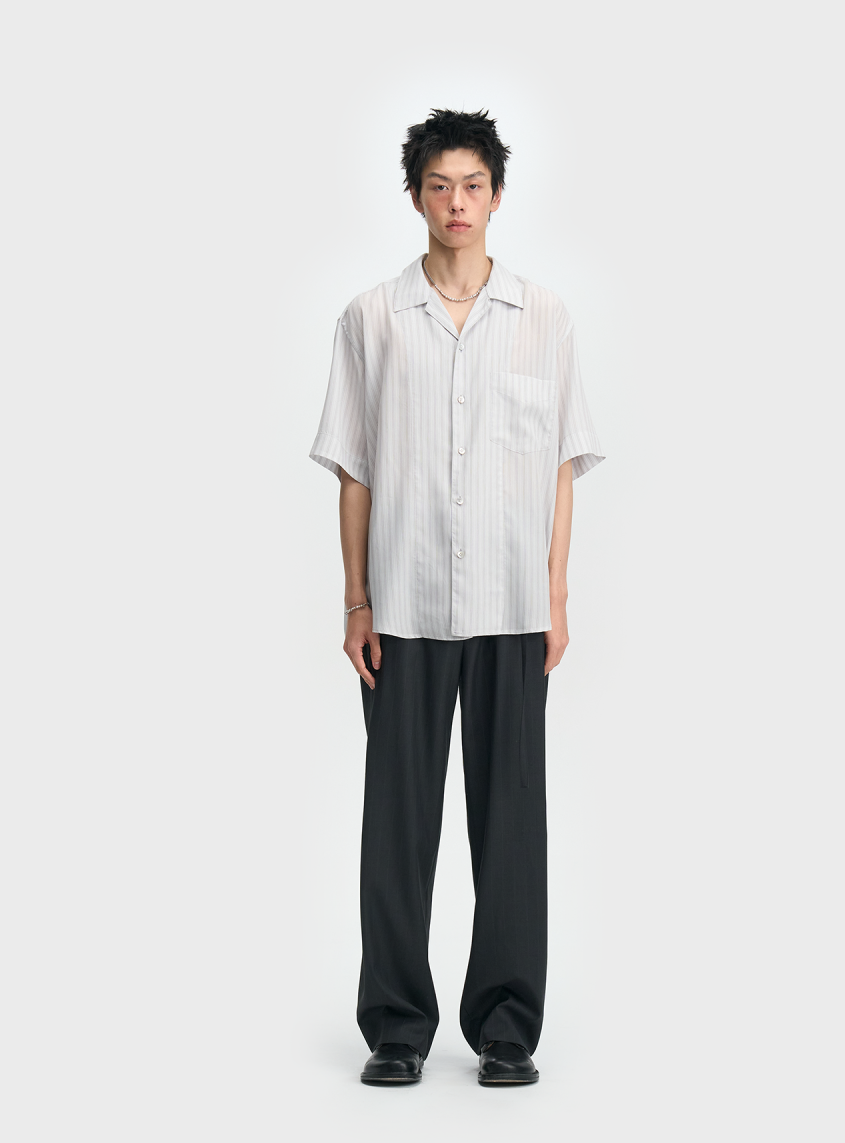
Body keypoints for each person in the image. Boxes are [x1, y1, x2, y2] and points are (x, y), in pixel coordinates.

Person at [308, 109, 605, 1087]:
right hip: (403, 604)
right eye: (439, 186)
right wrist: (355, 602)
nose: (457, 203)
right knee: (397, 824)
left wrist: (557, 595)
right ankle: (397, 1025)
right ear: (415, 197)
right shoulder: (371, 319)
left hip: (514, 607)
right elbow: (354, 468)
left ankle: (507, 1026)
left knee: (512, 821)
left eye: (473, 185)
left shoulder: (545, 317)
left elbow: (559, 465)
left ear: (498, 195)